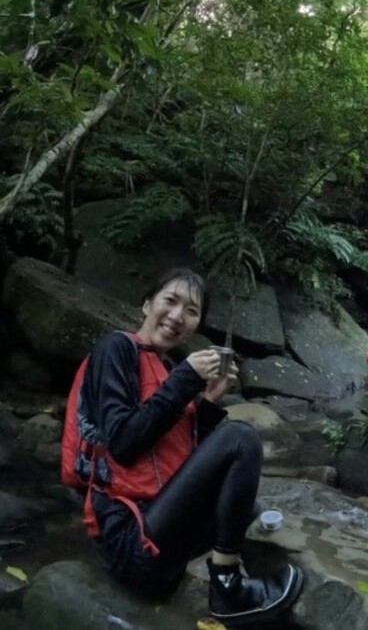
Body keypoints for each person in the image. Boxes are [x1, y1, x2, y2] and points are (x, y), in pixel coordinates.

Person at [66, 268, 303, 626]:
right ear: (147, 304)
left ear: (196, 325)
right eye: (170, 301)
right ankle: (227, 586)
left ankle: (251, 584)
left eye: (191, 311)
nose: (177, 316)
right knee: (240, 438)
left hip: (162, 538)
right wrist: (186, 378)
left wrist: (207, 403)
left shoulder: (167, 368)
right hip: (131, 542)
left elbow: (181, 463)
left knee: (245, 508)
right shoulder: (116, 349)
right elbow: (123, 443)